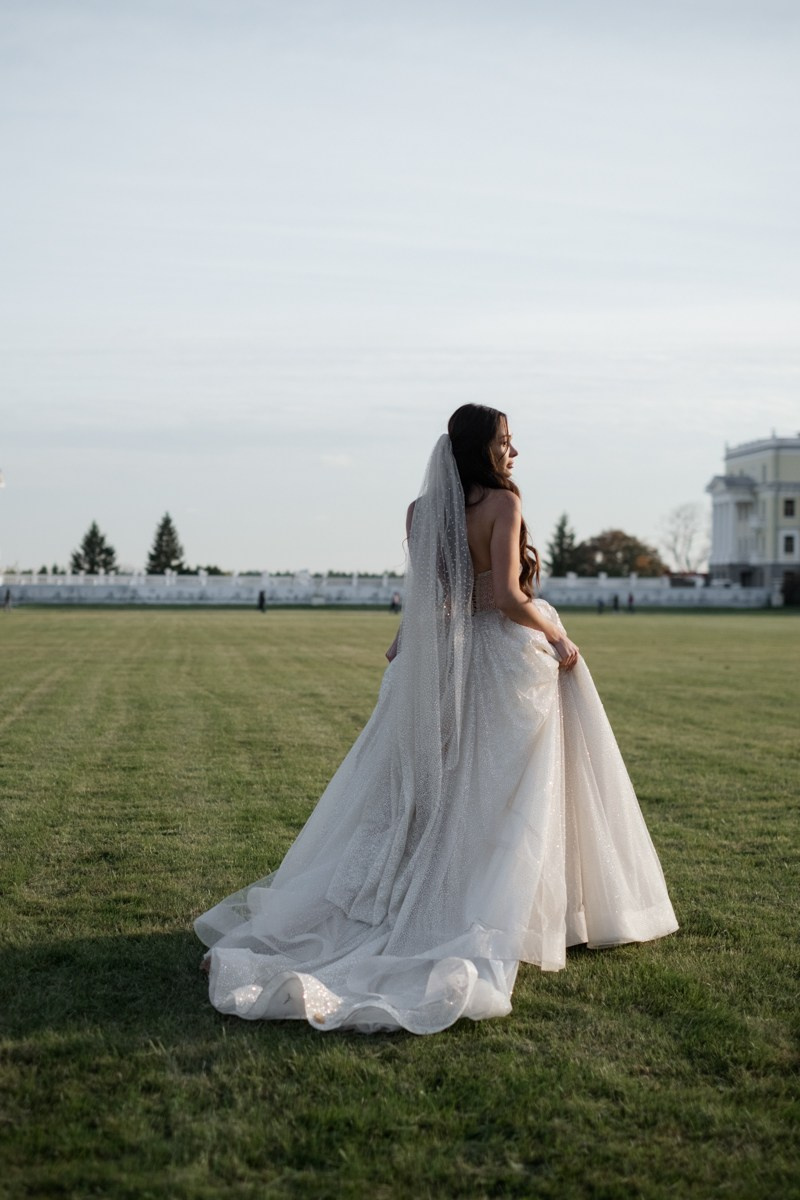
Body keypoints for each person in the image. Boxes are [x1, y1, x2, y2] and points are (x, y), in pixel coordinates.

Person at [195, 405, 677, 1034]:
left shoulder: (421, 512)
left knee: (438, 789)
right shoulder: (505, 505)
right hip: (501, 659)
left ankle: (442, 899)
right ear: (482, 448)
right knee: (506, 793)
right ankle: (517, 909)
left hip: (443, 661)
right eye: (506, 442)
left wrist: (404, 642)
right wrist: (555, 633)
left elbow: (433, 595)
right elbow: (506, 597)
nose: (514, 452)